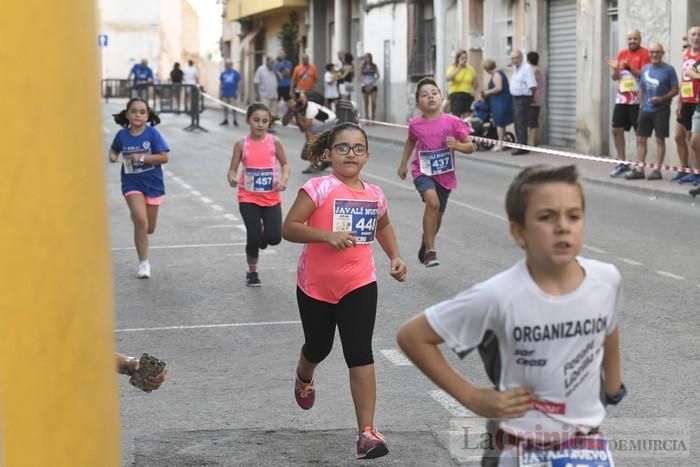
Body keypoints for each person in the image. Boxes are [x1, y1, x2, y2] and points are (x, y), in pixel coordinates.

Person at [397, 164, 626, 467]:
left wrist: (613, 385)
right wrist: (473, 397)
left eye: (573, 216)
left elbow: (608, 325)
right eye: (546, 217)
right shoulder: (499, 295)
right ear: (519, 232)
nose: (563, 226)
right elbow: (413, 336)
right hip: (519, 447)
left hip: (586, 447)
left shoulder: (606, 278)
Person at [282, 122, 407, 460]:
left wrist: (395, 256)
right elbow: (289, 228)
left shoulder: (375, 194)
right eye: (342, 148)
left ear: (367, 155)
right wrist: (326, 236)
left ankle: (366, 433)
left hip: (359, 282)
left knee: (359, 350)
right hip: (316, 286)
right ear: (328, 154)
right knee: (319, 346)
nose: (351, 153)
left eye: (357, 148)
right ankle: (304, 373)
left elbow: (383, 226)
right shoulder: (318, 188)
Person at [397, 78, 474, 267]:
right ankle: (431, 251)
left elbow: (471, 146)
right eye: (424, 95)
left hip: (445, 176)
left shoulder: (453, 122)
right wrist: (403, 164)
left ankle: (426, 240)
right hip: (422, 171)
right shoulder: (415, 124)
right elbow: (411, 142)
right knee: (432, 202)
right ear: (418, 104)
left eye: (434, 93)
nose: (430, 96)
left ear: (442, 97)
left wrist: (457, 145)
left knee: (437, 215)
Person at [227, 103, 289, 286]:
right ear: (248, 121)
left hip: (271, 197)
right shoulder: (241, 145)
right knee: (253, 237)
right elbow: (232, 170)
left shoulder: (274, 142)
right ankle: (252, 272)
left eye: (264, 121)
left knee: (275, 238)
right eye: (256, 120)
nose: (260, 125)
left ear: (269, 123)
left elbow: (285, 164)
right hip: (248, 197)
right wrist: (232, 178)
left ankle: (263, 234)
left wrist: (284, 180)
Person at [109, 98, 170, 279]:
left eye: (142, 112)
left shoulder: (152, 134)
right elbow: (114, 150)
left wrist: (142, 159)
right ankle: (144, 263)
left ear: (147, 115)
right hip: (131, 183)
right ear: (127, 114)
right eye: (134, 111)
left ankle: (139, 216)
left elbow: (164, 157)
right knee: (141, 221)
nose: (137, 114)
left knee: (149, 228)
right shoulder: (122, 136)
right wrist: (113, 157)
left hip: (153, 183)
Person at [625, 43, 679, 181]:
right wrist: (641, 104)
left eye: (657, 52)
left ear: (662, 53)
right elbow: (642, 87)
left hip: (661, 110)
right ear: (649, 54)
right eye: (652, 52)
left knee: (659, 140)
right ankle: (640, 170)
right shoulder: (645, 69)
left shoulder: (669, 70)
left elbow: (675, 89)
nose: (654, 55)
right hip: (645, 110)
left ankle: (657, 171)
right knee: (641, 139)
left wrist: (662, 98)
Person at [606, 29, 650, 177]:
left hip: (637, 101)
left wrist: (629, 68)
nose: (632, 41)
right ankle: (622, 162)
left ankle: (639, 168)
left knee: (640, 134)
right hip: (622, 99)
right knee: (616, 130)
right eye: (630, 39)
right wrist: (614, 69)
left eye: (635, 39)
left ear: (640, 39)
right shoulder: (622, 54)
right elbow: (615, 77)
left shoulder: (645, 54)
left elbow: (645, 76)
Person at [282, 89, 337, 174]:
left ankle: (316, 162)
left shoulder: (311, 107)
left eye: (301, 97)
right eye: (296, 99)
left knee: (309, 134)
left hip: (331, 125)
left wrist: (296, 114)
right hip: (317, 129)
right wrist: (290, 111)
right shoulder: (295, 108)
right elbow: (284, 123)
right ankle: (326, 161)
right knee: (305, 155)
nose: (299, 101)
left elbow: (306, 128)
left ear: (306, 98)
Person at [673, 26, 700, 183]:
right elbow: (684, 79)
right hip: (685, 100)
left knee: (693, 140)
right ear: (689, 38)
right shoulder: (686, 55)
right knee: (678, 137)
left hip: (695, 102)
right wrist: (679, 101)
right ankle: (685, 169)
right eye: (693, 35)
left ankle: (696, 172)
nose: (696, 37)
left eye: (699, 35)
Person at [481, 59, 513, 151]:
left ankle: (500, 144)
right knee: (501, 123)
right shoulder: (498, 74)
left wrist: (487, 92)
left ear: (487, 68)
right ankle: (502, 142)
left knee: (499, 123)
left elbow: (498, 88)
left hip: (500, 101)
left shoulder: (497, 74)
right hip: (499, 101)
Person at [509, 50, 537, 155]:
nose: (514, 60)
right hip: (516, 97)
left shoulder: (526, 68)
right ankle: (520, 144)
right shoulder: (516, 69)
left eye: (516, 58)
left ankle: (522, 146)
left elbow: (532, 85)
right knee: (517, 121)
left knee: (521, 122)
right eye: (512, 58)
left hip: (523, 98)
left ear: (521, 58)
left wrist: (531, 98)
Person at [446, 49, 478, 118]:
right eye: (462, 58)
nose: (465, 60)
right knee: (457, 117)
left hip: (467, 95)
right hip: (456, 95)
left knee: (467, 117)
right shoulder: (452, 68)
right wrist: (458, 68)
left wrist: (474, 88)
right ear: (457, 59)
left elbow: (476, 84)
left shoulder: (470, 69)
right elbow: (448, 78)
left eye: (466, 58)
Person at [526, 52, 545, 147]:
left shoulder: (535, 70)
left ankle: (532, 142)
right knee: (530, 121)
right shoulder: (535, 70)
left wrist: (532, 98)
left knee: (532, 122)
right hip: (533, 99)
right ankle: (530, 141)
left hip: (534, 100)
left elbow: (533, 86)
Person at [219, 59, 241, 126]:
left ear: (231, 65)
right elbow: (221, 83)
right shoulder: (223, 73)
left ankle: (235, 120)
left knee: (234, 108)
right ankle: (226, 119)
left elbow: (239, 83)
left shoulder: (235, 73)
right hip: (225, 93)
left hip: (232, 93)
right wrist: (220, 92)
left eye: (229, 64)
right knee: (225, 107)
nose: (227, 66)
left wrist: (238, 91)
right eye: (226, 65)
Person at [360, 53, 380, 123]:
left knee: (373, 102)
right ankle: (367, 118)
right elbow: (360, 76)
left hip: (373, 85)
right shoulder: (362, 66)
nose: (367, 59)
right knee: (366, 102)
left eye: (368, 57)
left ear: (371, 58)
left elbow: (378, 75)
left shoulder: (374, 66)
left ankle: (373, 118)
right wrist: (365, 83)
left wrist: (373, 82)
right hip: (365, 85)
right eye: (366, 58)